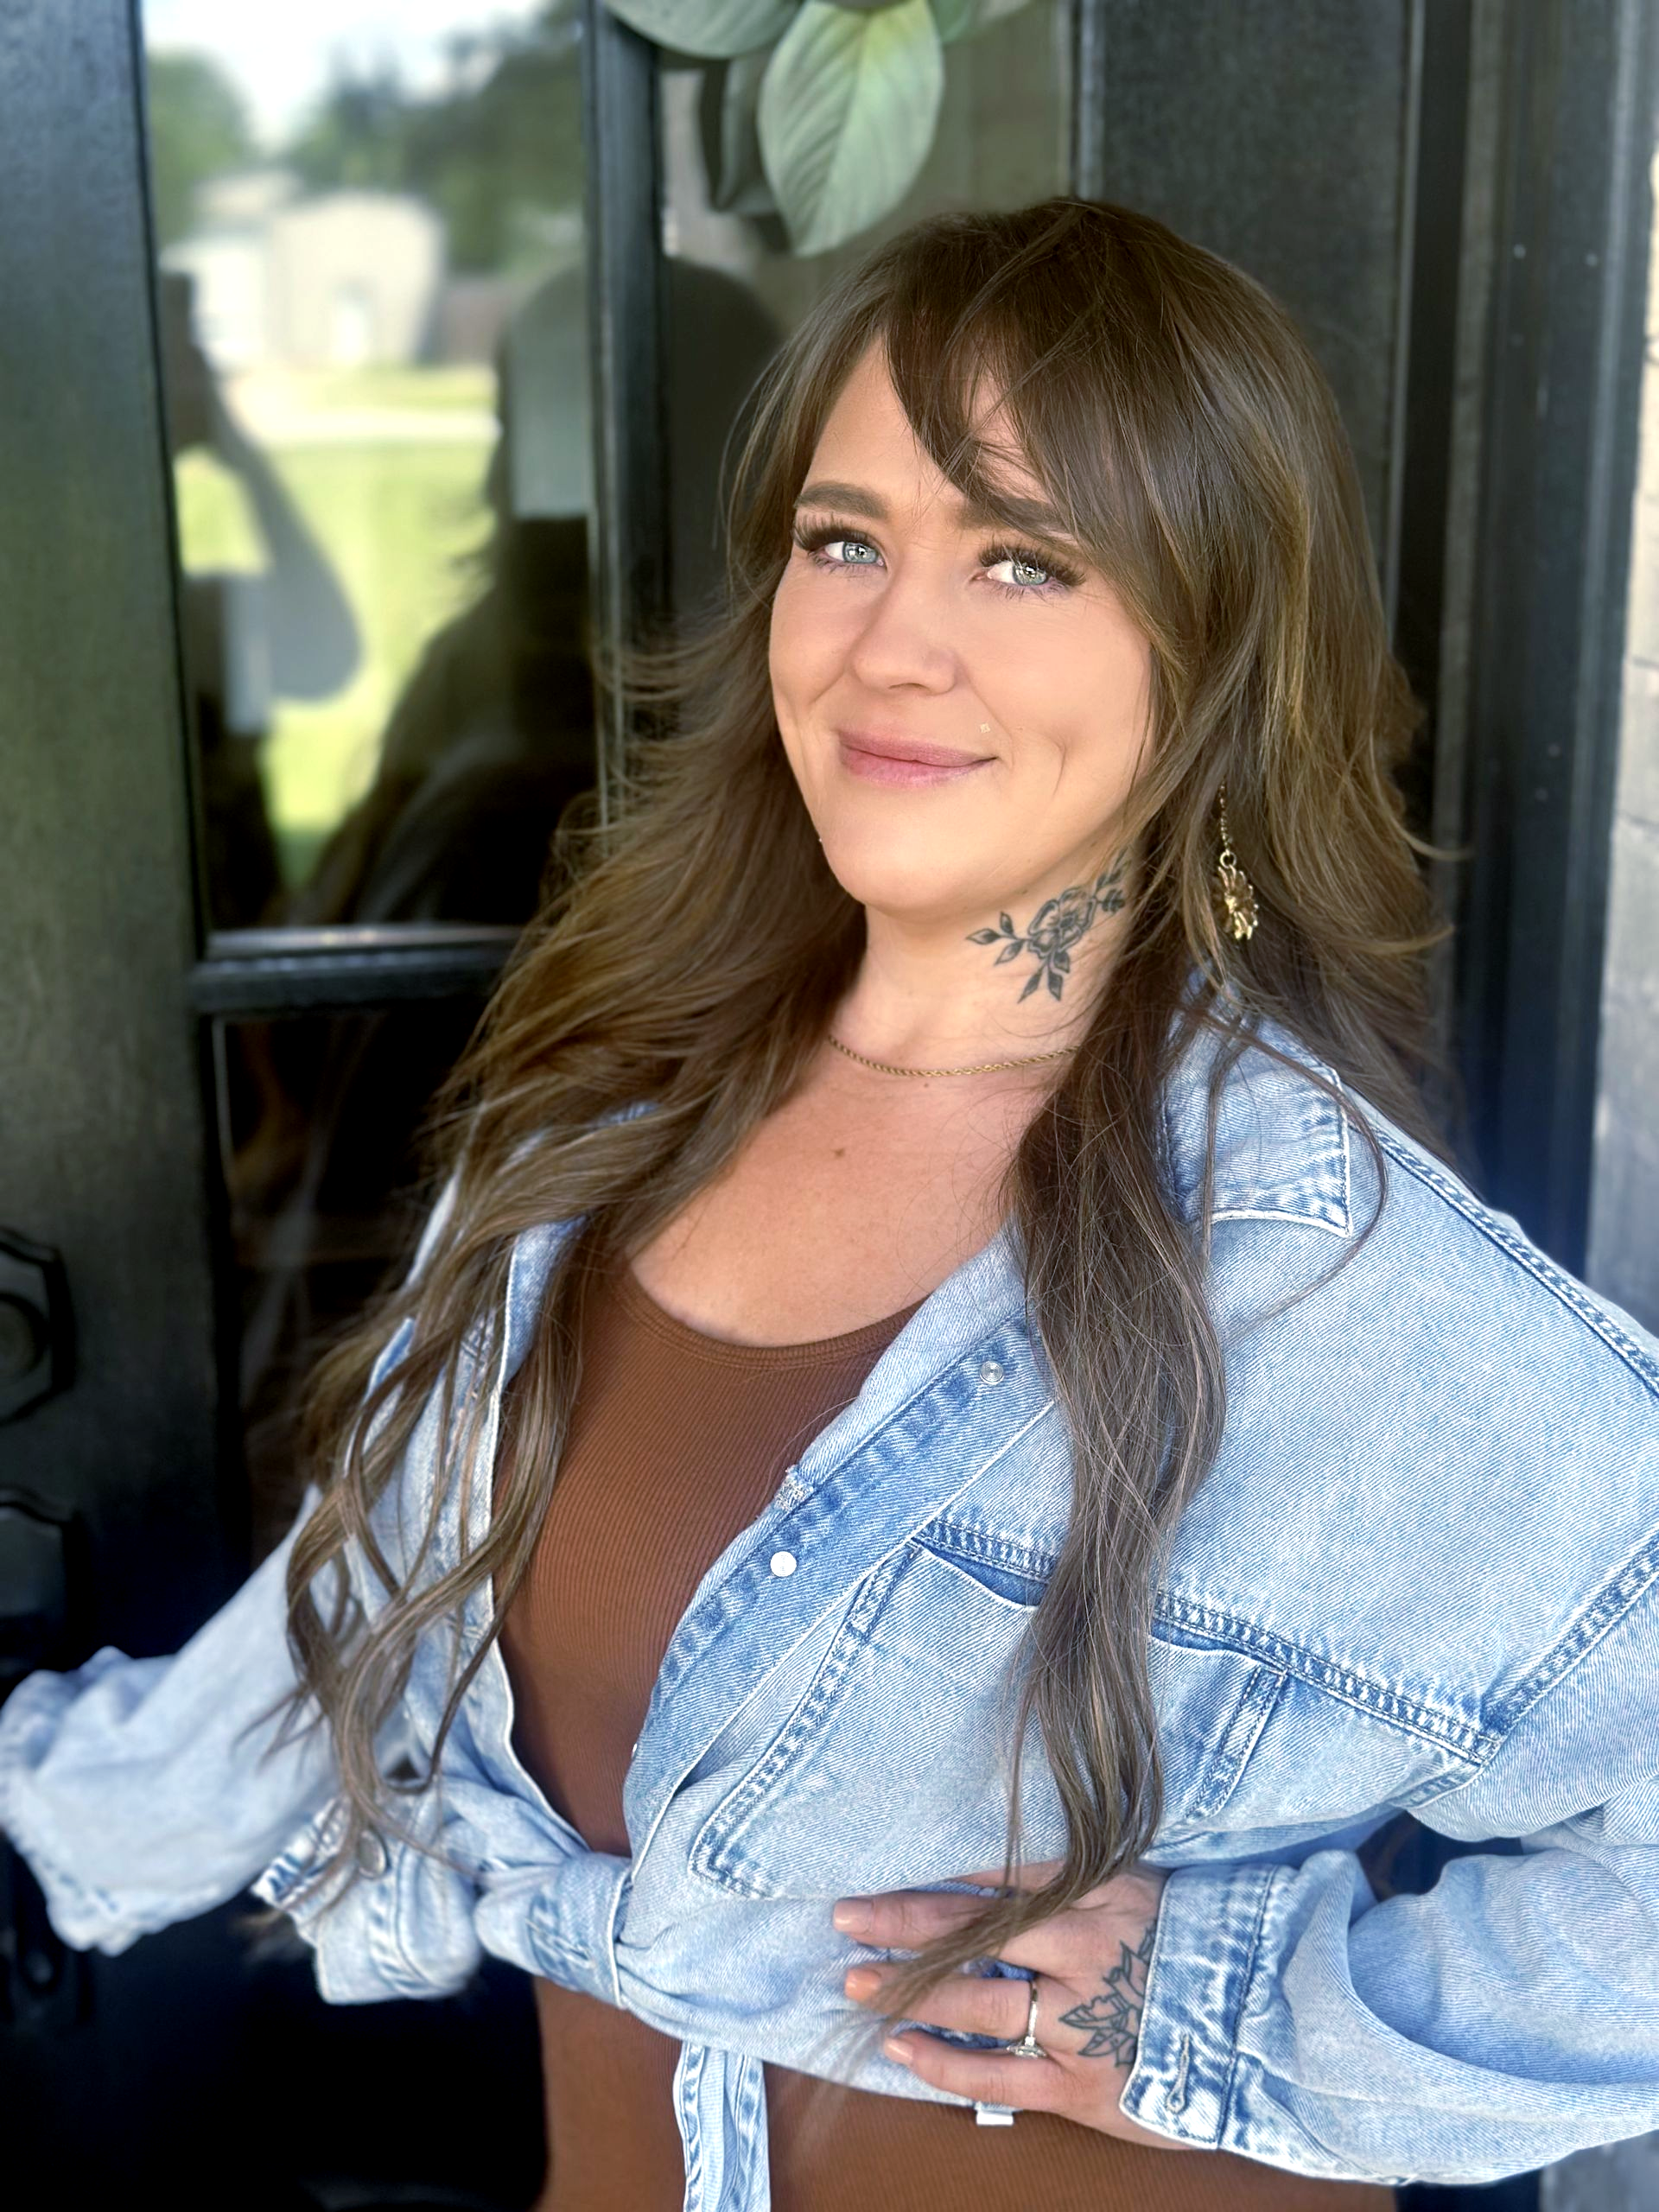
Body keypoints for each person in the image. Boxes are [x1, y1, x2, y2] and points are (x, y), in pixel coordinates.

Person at [3, 197, 1659, 2211]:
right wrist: (81, 1809)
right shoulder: (599, 1127)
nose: (892, 642)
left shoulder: (1314, 1270)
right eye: (845, 537)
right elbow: (359, 1606)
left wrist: (1237, 2018)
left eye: (1026, 558)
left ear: (1215, 645)